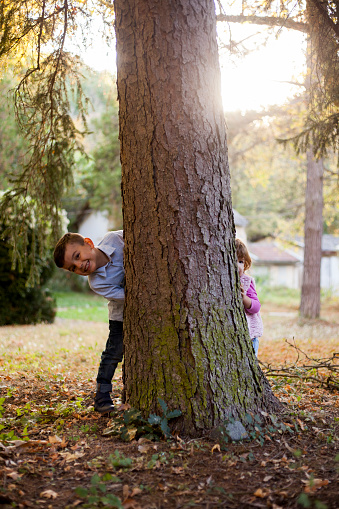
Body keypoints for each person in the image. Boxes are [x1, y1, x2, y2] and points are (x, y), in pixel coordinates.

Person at [53, 230, 124, 413]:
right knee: (113, 352)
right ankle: (102, 395)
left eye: (77, 256)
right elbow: (127, 297)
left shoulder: (114, 239)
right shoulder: (97, 283)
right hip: (121, 315)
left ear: (89, 243)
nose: (79, 266)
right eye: (72, 268)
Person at [235, 238, 263, 357]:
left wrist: (244, 298)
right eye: (234, 261)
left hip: (250, 336)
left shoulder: (246, 281)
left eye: (241, 261)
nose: (238, 266)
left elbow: (256, 307)